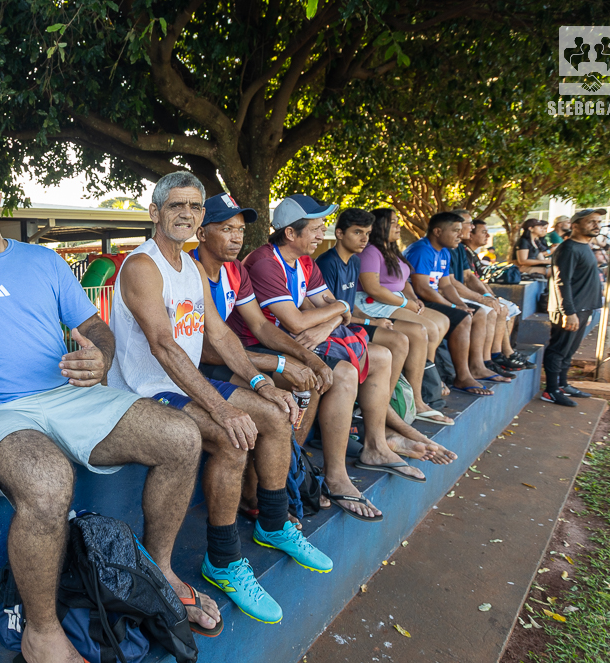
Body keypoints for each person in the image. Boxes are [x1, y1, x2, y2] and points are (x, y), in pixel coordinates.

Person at [0, 156, 213, 663]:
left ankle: (161, 571)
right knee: (45, 481)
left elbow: (93, 329)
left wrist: (99, 357)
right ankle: (41, 636)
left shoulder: (43, 262)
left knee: (181, 437)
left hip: (69, 398)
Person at [108, 172, 332, 626]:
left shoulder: (190, 266)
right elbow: (164, 346)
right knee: (231, 438)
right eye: (176, 205)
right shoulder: (142, 266)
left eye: (194, 206)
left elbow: (222, 335)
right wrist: (222, 407)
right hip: (145, 392)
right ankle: (224, 561)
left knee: (274, 413)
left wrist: (259, 382)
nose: (187, 214)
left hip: (181, 384)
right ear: (155, 212)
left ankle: (274, 523)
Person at [243, 195, 434, 523]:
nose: (323, 234)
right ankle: (335, 475)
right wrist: (336, 311)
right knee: (343, 373)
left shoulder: (305, 262)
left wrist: (330, 318)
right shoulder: (265, 262)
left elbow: (333, 309)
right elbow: (298, 321)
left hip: (294, 343)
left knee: (380, 355)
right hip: (260, 350)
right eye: (316, 228)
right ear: (290, 233)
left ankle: (375, 445)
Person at [190, 192, 335, 517]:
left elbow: (261, 326)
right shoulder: (189, 270)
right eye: (226, 229)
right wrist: (279, 363)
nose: (236, 237)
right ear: (202, 233)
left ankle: (289, 473)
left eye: (240, 230)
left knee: (308, 383)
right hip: (195, 366)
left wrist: (309, 359)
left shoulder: (235, 270)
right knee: (272, 403)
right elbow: (205, 349)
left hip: (225, 356)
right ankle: (256, 494)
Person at [321, 208, 454, 427]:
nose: (364, 239)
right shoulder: (328, 263)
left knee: (407, 336)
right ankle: (380, 408)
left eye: (367, 233)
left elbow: (350, 305)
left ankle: (387, 404)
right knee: (400, 339)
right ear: (339, 233)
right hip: (336, 329)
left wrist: (370, 320)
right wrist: (370, 321)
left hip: (352, 321)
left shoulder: (354, 261)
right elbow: (332, 311)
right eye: (357, 232)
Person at [405, 212, 496, 397]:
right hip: (418, 301)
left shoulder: (445, 252)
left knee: (472, 313)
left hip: (433, 298)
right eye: (455, 230)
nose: (460, 235)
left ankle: (475, 367)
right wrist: (453, 307)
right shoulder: (421, 250)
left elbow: (446, 285)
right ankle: (461, 376)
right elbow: (422, 288)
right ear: (438, 231)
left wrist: (460, 304)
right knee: (462, 318)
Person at [449, 210, 528, 376]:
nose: (471, 227)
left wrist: (488, 296)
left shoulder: (460, 248)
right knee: (490, 311)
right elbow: (450, 284)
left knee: (501, 307)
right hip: (451, 297)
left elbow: (469, 276)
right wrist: (482, 299)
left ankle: (499, 355)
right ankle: (484, 362)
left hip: (461, 294)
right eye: (469, 224)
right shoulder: (446, 248)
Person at [542, 209, 605, 406]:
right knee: (559, 349)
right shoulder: (568, 249)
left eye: (598, 222)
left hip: (583, 307)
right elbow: (562, 282)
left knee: (569, 351)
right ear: (574, 225)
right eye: (591, 221)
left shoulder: (584, 246)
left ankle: (562, 385)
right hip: (570, 310)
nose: (597, 225)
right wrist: (568, 312)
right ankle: (551, 390)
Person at [462, 218, 536, 370]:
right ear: (471, 235)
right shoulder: (462, 251)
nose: (488, 235)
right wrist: (485, 298)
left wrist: (492, 297)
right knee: (496, 310)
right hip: (464, 296)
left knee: (511, 308)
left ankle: (506, 352)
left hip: (476, 295)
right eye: (483, 232)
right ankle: (495, 356)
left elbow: (480, 282)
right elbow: (465, 281)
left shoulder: (472, 254)